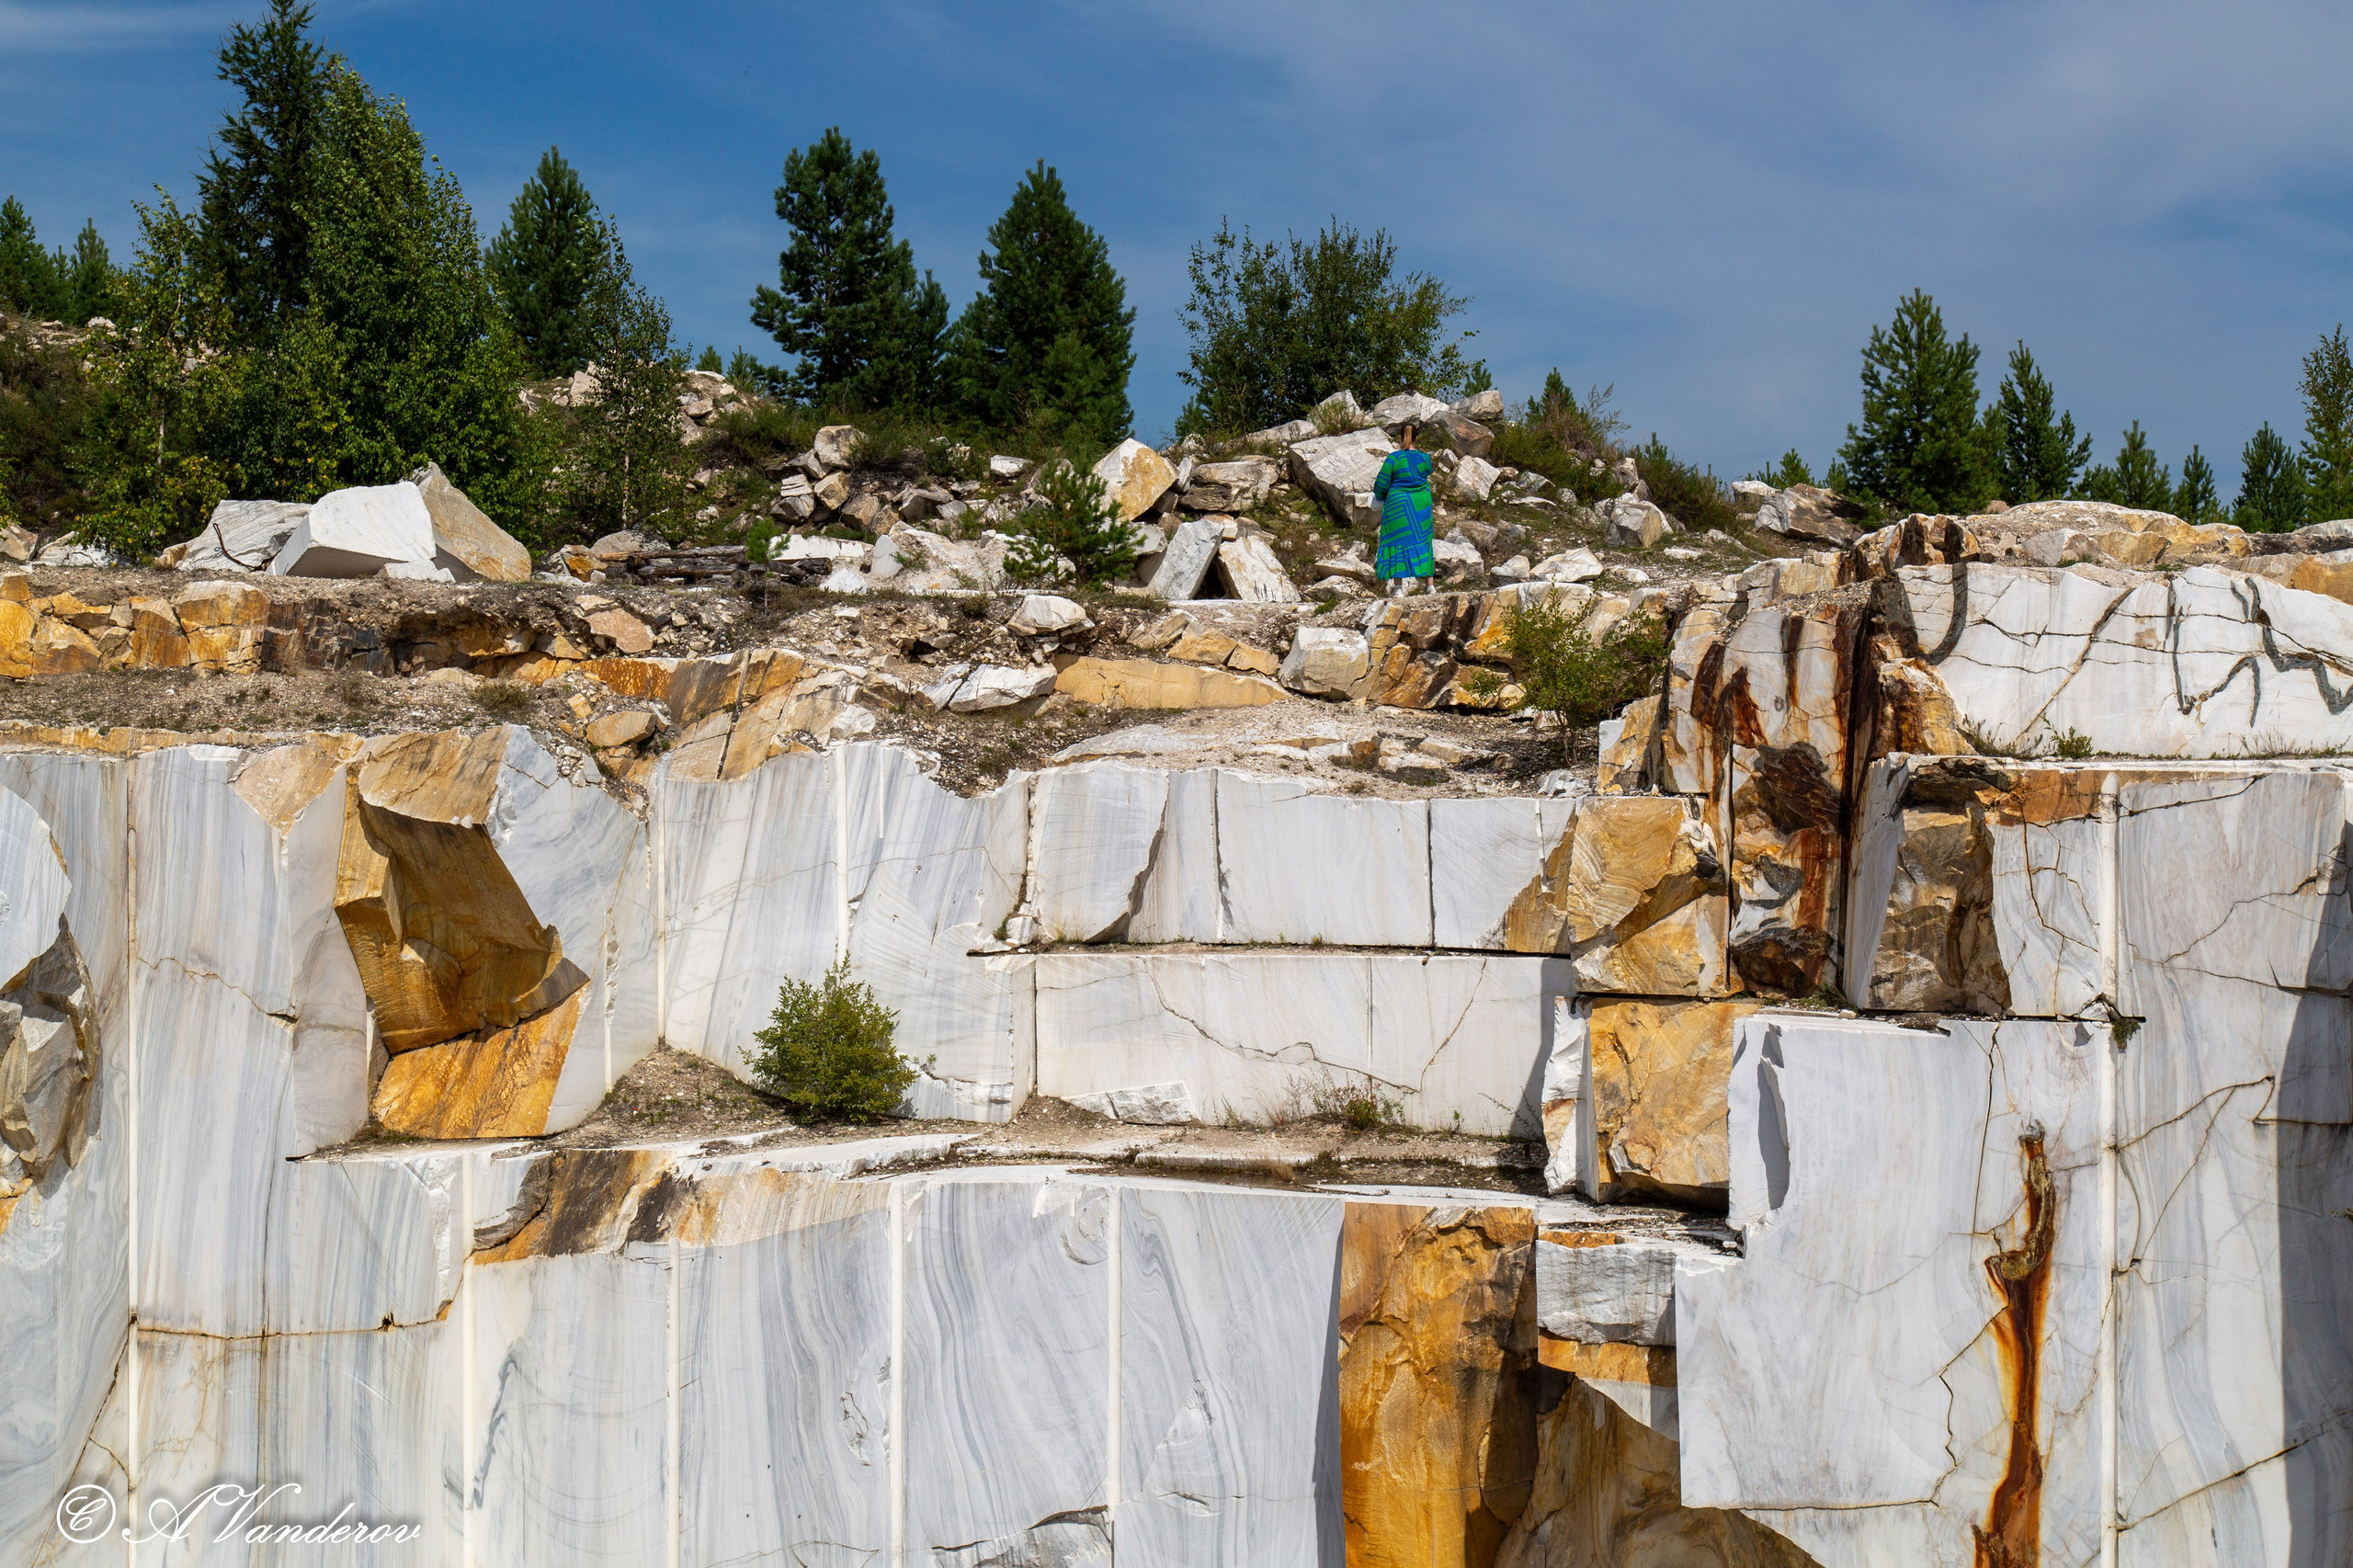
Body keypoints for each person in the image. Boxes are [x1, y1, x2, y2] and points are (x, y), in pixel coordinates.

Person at [1371, 422, 1436, 596]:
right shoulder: (1425, 459)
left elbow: (1382, 483)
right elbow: (1426, 472)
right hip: (1421, 505)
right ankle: (1430, 586)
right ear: (1417, 438)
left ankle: (1398, 588)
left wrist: (1379, 495)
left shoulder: (1394, 458)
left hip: (1398, 505)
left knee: (1396, 542)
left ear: (1400, 437)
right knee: (1424, 541)